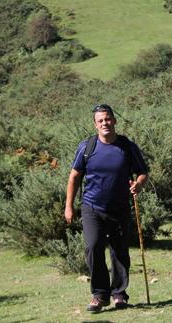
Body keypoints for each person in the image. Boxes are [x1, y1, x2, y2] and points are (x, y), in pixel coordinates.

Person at [64, 104, 149, 312]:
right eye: (100, 120)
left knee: (119, 251)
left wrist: (139, 184)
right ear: (95, 124)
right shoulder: (87, 147)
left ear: (114, 121)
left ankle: (119, 294)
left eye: (108, 119)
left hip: (119, 208)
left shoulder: (127, 147)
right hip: (92, 207)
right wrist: (69, 206)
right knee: (93, 247)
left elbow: (143, 172)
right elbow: (74, 176)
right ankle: (99, 295)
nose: (105, 123)